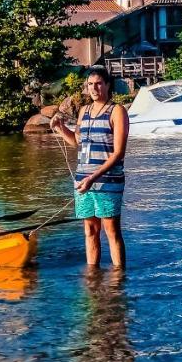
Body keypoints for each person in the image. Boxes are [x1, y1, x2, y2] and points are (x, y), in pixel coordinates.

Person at [52, 67, 129, 267]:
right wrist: (61, 129)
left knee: (111, 231)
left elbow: (118, 153)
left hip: (107, 181)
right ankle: (93, 276)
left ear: (107, 85)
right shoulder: (84, 111)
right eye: (90, 84)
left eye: (98, 83)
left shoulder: (117, 111)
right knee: (90, 231)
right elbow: (77, 142)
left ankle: (118, 279)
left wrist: (92, 178)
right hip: (83, 181)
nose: (94, 88)